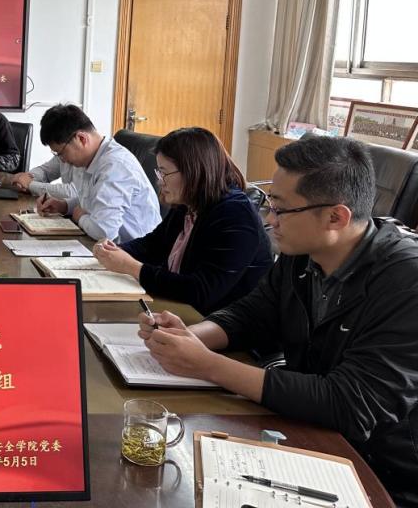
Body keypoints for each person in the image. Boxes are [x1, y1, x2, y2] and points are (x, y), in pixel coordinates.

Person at [138, 135, 418, 507]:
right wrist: (189, 335)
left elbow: (351, 403)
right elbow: (253, 313)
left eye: (281, 210)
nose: (270, 221)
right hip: (309, 432)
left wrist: (206, 365)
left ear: (336, 217)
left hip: (383, 472)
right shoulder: (303, 252)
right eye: (271, 204)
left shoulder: (406, 280)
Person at [91, 127, 271, 314]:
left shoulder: (235, 214)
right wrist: (114, 250)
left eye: (164, 173)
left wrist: (132, 267)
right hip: (183, 308)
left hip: (217, 320)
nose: (160, 181)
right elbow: (153, 245)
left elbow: (201, 291)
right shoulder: (190, 202)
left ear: (193, 171)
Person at [34, 104, 159, 243]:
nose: (62, 160)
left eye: (61, 153)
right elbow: (92, 201)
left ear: (81, 139)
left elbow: (104, 232)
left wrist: (79, 216)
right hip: (107, 247)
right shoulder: (91, 158)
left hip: (133, 251)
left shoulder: (114, 166)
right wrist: (64, 206)